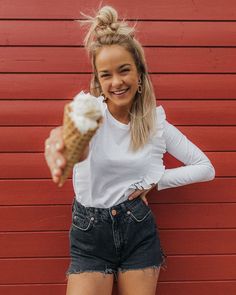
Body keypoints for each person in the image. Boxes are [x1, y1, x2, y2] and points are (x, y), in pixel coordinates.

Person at [44, 5, 215, 295]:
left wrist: (155, 181)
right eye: (106, 75)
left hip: (138, 229)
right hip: (89, 233)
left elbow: (206, 168)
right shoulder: (90, 113)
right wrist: (61, 145)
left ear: (139, 75)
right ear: (98, 81)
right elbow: (77, 144)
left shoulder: (155, 124)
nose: (117, 82)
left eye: (124, 71)